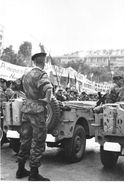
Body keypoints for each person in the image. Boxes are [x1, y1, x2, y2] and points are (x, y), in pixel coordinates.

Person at [15, 45, 53, 181]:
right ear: (42, 61)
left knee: (25, 140)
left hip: (26, 109)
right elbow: (48, 88)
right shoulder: (41, 74)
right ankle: (33, 174)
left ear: (34, 61)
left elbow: (15, 85)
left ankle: (20, 170)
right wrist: (47, 100)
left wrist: (26, 97)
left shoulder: (26, 74)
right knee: (37, 141)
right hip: (37, 111)